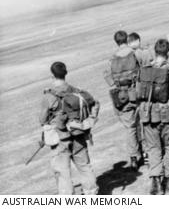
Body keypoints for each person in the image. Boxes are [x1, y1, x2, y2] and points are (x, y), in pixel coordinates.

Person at [39, 61, 99, 195]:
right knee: (85, 167)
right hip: (78, 134)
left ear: (52, 76)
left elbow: (42, 120)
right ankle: (92, 194)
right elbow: (92, 105)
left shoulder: (48, 96)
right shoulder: (77, 91)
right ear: (65, 74)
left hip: (60, 140)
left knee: (63, 173)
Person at [138, 39, 169, 194]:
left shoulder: (144, 70)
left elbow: (139, 93)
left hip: (148, 114)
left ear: (154, 51)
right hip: (167, 114)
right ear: (168, 53)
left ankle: (156, 183)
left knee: (153, 148)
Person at [104, 30, 143, 170]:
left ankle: (133, 157)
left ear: (116, 42)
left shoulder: (112, 59)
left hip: (122, 96)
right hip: (138, 91)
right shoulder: (135, 53)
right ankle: (146, 153)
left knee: (130, 127)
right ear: (126, 39)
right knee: (143, 123)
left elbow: (107, 77)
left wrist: (119, 84)